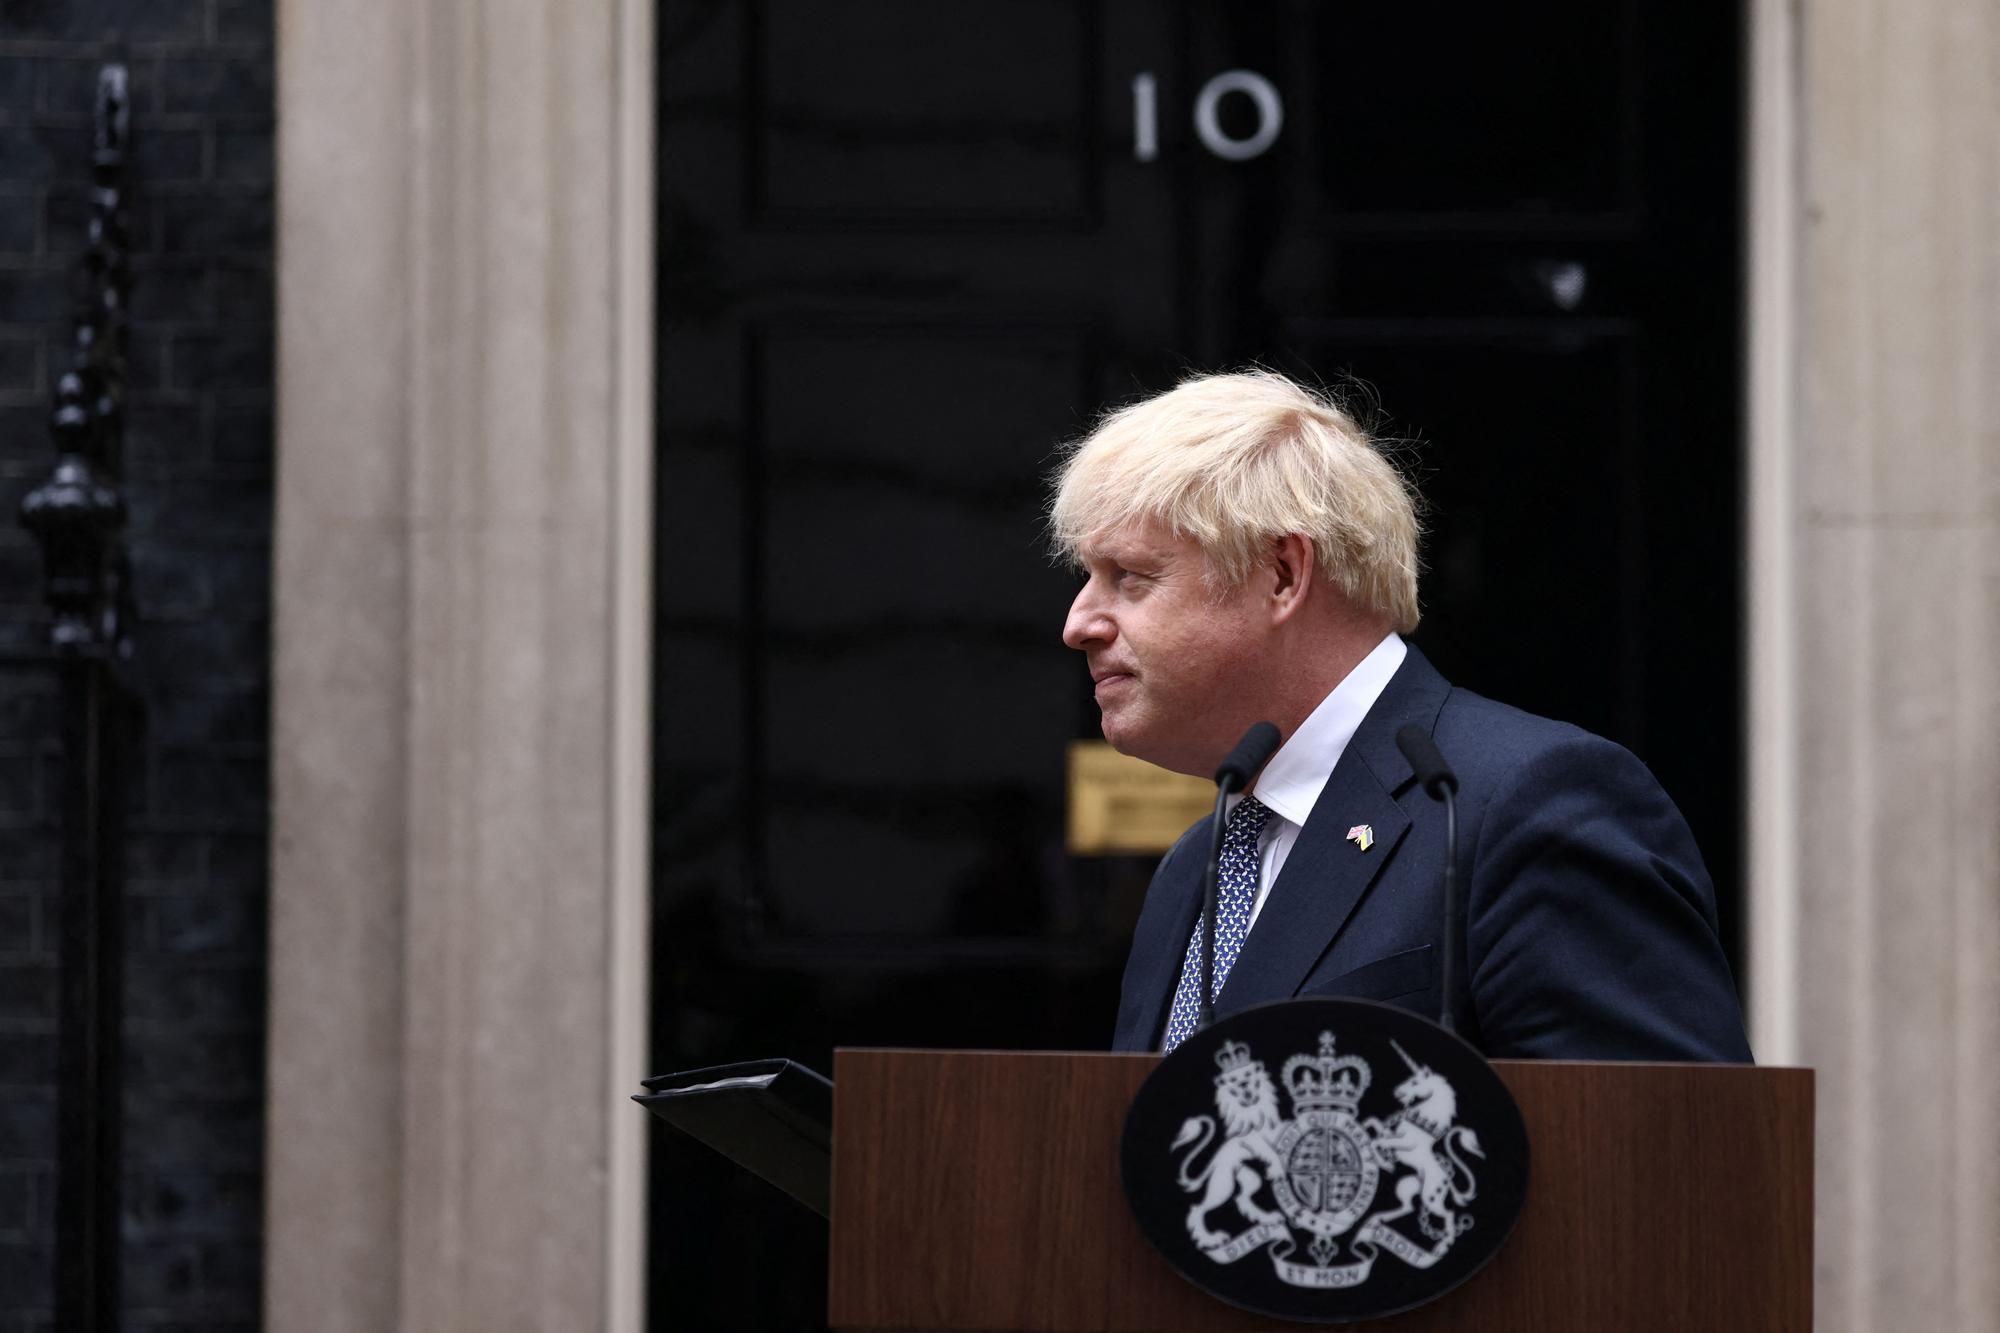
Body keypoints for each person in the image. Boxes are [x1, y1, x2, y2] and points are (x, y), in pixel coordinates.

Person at [1049, 369, 1751, 1061]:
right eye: (1088, 579)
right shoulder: (1193, 869)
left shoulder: (1528, 805)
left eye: (1130, 577)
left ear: (1283, 574)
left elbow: (1673, 1152)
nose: (1079, 622)